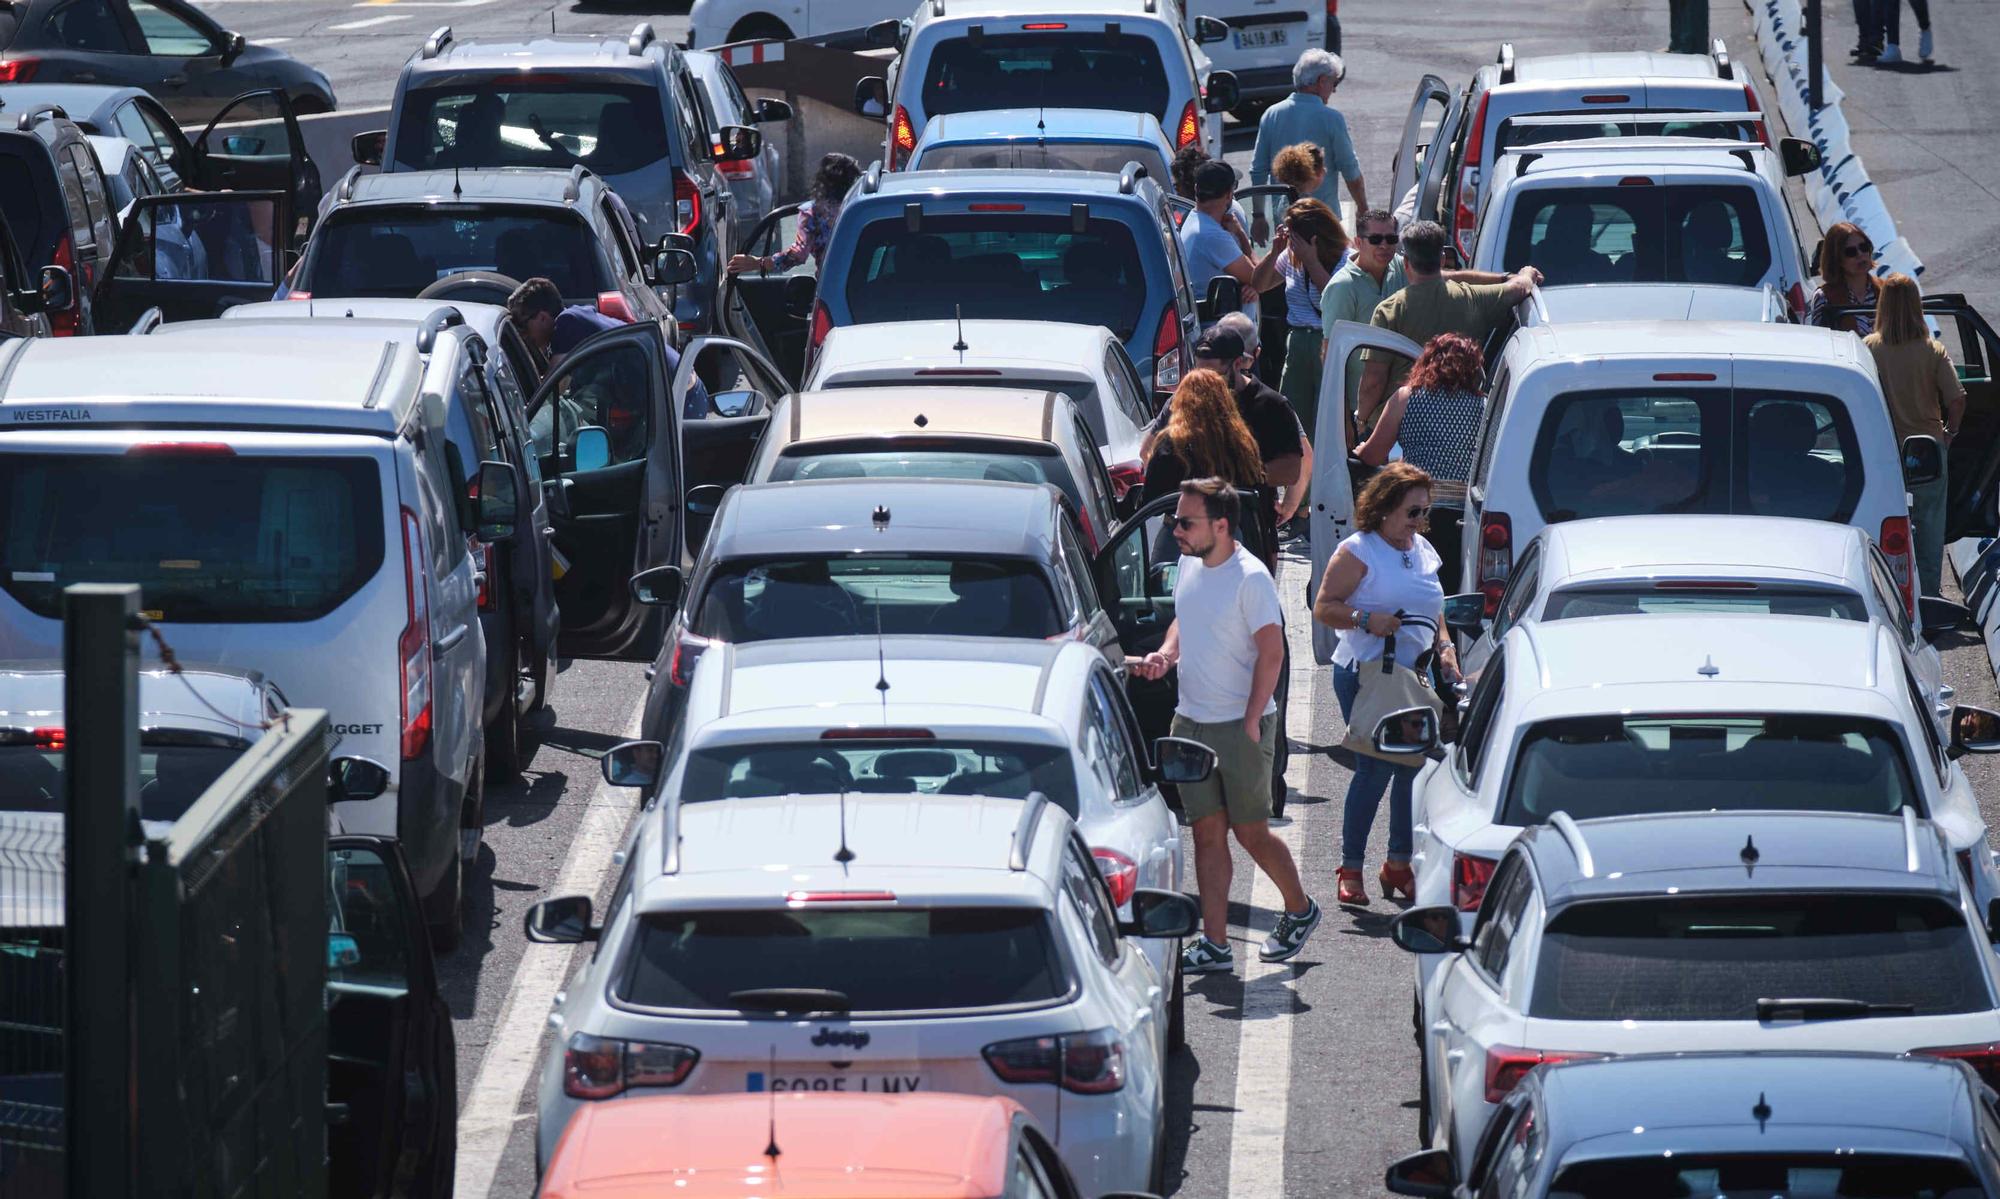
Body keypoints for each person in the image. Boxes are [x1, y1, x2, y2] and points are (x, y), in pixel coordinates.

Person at [1133, 479, 1320, 972]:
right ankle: (1215, 944)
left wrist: (1255, 718)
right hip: (1190, 721)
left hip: (1240, 727)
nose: (1176, 530)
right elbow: (1183, 620)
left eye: (1186, 522)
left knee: (1251, 832)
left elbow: (1273, 652)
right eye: (1176, 520)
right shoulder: (1191, 563)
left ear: (1221, 524)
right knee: (1206, 835)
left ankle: (1300, 910)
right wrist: (1166, 655)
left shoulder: (1250, 578)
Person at [1310, 462, 1456, 906]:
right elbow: (1324, 606)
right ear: (1384, 508)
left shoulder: (1423, 549)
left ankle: (1397, 864)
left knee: (1410, 772)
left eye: (1424, 513)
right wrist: (1366, 620)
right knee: (1374, 770)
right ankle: (1350, 866)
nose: (1419, 522)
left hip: (1413, 677)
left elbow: (1435, 608)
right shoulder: (1360, 551)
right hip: (1366, 674)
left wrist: (1446, 646)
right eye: (1412, 512)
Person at [1356, 221, 1540, 431]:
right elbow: (1520, 288)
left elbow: (1373, 381)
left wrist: (1361, 421)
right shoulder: (1473, 299)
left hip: (1397, 427)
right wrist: (1526, 273)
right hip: (1459, 424)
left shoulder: (1388, 311)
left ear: (1406, 263)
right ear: (1442, 258)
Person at [1354, 333, 1486, 592]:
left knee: (1413, 585)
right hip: (1466, 517)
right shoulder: (1483, 406)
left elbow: (1372, 455)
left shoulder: (1406, 398)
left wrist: (1360, 447)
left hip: (1415, 511)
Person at [1866, 272, 1965, 596]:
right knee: (1929, 525)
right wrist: (1949, 432)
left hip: (1885, 450)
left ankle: (1890, 591)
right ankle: (1931, 594)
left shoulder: (1869, 349)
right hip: (1927, 451)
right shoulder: (1931, 350)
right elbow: (1957, 398)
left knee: (1886, 522)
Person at [1249, 199, 1345, 448]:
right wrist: (1274, 252)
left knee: (1326, 421)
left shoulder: (1344, 259)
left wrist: (1312, 261)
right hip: (1298, 342)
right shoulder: (1290, 257)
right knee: (1294, 421)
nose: (1290, 242)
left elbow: (1333, 300)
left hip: (1327, 341)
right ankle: (1302, 481)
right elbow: (1259, 284)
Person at [1249, 49, 1365, 244]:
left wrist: (1259, 215)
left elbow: (1258, 170)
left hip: (1285, 220)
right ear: (1321, 81)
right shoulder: (1331, 118)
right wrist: (1363, 209)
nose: (1334, 90)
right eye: (1333, 83)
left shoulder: (1271, 114)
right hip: (1325, 221)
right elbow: (1350, 170)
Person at [727, 152, 862, 276]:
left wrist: (759, 263)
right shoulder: (862, 207)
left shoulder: (813, 213)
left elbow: (798, 255)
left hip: (833, 286)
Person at [1180, 161, 1264, 325]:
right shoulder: (1212, 236)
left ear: (1196, 189)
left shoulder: (1193, 219)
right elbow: (1259, 277)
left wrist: (1255, 284)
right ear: (1228, 195)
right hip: (1226, 338)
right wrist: (1240, 234)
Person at [1807, 221, 1880, 334]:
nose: (1860, 254)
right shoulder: (1824, 298)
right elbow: (1820, 342)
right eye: (1851, 252)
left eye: (1863, 247)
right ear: (1837, 259)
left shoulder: (1886, 290)